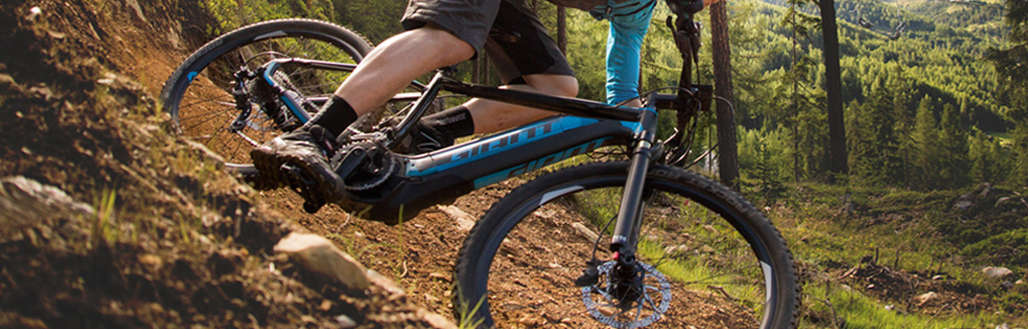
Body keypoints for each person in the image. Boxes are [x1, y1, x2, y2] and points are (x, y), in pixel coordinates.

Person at [251, 0, 715, 201]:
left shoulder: (637, 11)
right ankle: (315, 133)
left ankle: (425, 134)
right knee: (450, 40)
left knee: (557, 91)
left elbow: (623, 91)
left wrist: (638, 133)